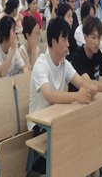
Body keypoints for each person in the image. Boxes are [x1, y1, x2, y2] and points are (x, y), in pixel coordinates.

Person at [28, 17, 98, 172]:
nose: (68, 44)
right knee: (72, 141)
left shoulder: (63, 63)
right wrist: (77, 96)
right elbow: (50, 96)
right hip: (39, 124)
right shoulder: (41, 65)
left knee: (87, 132)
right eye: (64, 39)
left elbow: (80, 82)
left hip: (56, 118)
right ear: (54, 42)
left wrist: (91, 88)